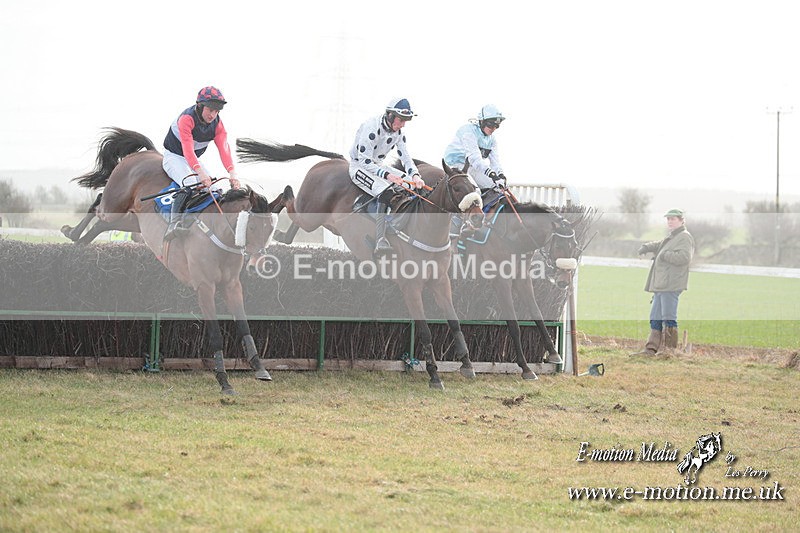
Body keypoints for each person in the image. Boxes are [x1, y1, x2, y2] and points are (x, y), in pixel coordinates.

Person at [162, 86, 240, 241]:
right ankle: (174, 223)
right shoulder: (187, 119)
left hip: (192, 159)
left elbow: (224, 148)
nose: (213, 115)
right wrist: (201, 173)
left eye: (217, 111)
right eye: (210, 110)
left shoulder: (217, 124)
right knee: (190, 182)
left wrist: (232, 173)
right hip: (175, 156)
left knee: (216, 188)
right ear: (200, 105)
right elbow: (188, 151)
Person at [349, 97, 425, 256]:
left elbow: (406, 158)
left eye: (406, 120)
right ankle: (380, 240)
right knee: (386, 191)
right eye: (401, 119)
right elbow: (365, 161)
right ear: (390, 115)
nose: (403, 124)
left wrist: (416, 176)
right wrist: (388, 175)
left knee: (412, 186)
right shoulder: (371, 127)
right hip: (360, 167)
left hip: (378, 166)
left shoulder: (399, 133)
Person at [631, 209, 695, 355]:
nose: (670, 222)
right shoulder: (673, 236)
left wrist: (664, 255)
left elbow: (685, 257)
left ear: (681, 220)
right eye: (668, 219)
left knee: (668, 317)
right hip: (661, 283)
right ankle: (651, 348)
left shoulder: (685, 237)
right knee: (655, 317)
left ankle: (669, 351)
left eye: (673, 219)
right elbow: (660, 244)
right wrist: (647, 247)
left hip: (671, 284)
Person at [443, 104, 507, 192]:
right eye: (491, 125)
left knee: (497, 188)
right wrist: (492, 175)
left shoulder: (492, 139)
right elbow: (475, 159)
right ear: (482, 122)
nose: (493, 129)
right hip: (455, 167)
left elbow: (495, 161)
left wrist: (500, 174)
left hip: (473, 167)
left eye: (496, 126)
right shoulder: (468, 132)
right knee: (475, 191)